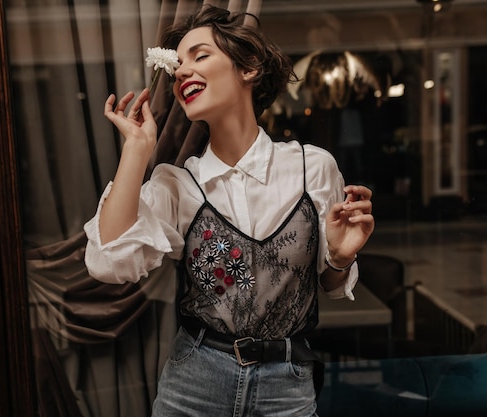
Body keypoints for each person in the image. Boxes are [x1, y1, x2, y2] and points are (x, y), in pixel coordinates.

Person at [84, 5, 374, 416]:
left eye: (200, 56)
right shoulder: (178, 185)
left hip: (286, 387)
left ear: (249, 68)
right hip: (194, 381)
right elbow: (108, 263)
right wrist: (136, 148)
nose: (183, 72)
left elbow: (329, 284)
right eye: (178, 65)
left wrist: (341, 258)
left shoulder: (312, 169)